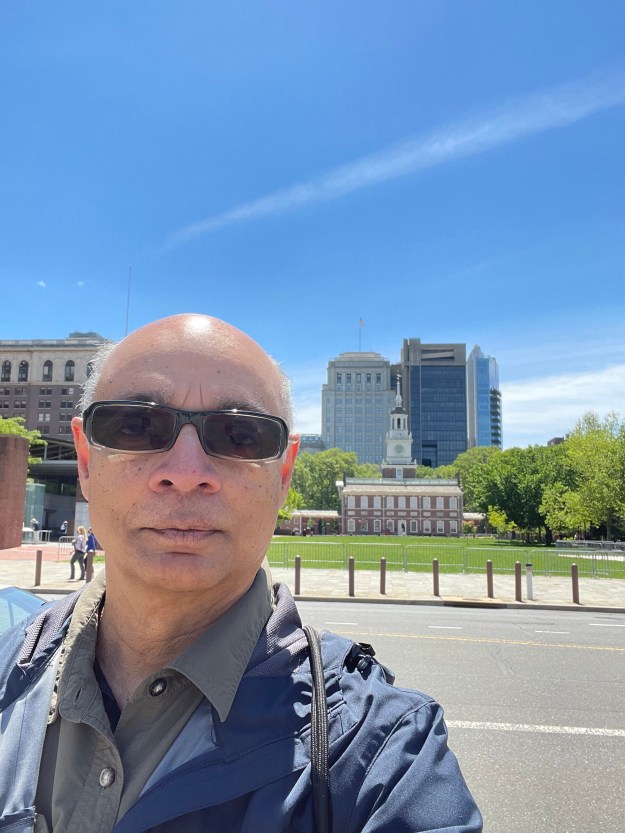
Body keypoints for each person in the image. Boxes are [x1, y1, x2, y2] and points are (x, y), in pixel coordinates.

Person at [0, 314, 482, 832]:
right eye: (135, 426)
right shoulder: (9, 665)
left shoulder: (382, 756)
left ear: (284, 477)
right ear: (86, 462)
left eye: (242, 436)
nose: (185, 473)